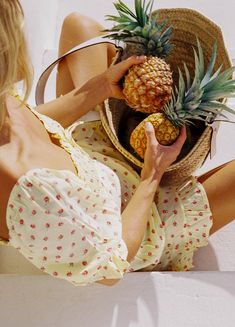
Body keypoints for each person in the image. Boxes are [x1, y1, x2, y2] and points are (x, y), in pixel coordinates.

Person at [0, 1, 234, 287]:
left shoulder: (3, 103)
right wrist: (152, 175)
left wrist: (102, 87)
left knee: (79, 26)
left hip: (92, 156)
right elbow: (112, 264)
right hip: (141, 218)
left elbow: (29, 121)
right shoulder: (29, 189)